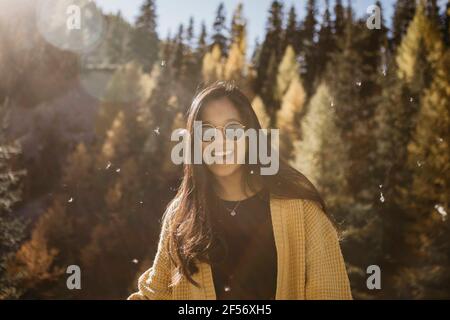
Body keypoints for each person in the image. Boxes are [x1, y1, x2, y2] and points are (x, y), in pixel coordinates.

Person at [128, 80, 352, 300]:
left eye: (232, 129)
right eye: (207, 132)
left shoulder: (302, 210)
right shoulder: (182, 216)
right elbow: (155, 295)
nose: (220, 141)